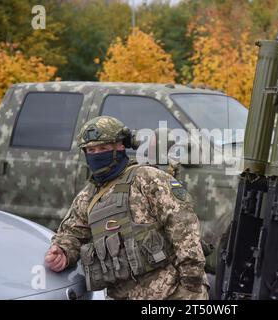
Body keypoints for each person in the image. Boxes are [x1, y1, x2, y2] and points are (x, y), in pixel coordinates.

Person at [44, 116, 208, 300]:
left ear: (120, 146)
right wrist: (62, 252)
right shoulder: (87, 197)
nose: (97, 154)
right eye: (91, 150)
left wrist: (191, 285)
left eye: (103, 148)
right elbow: (71, 233)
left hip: (173, 293)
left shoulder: (147, 178)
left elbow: (184, 228)